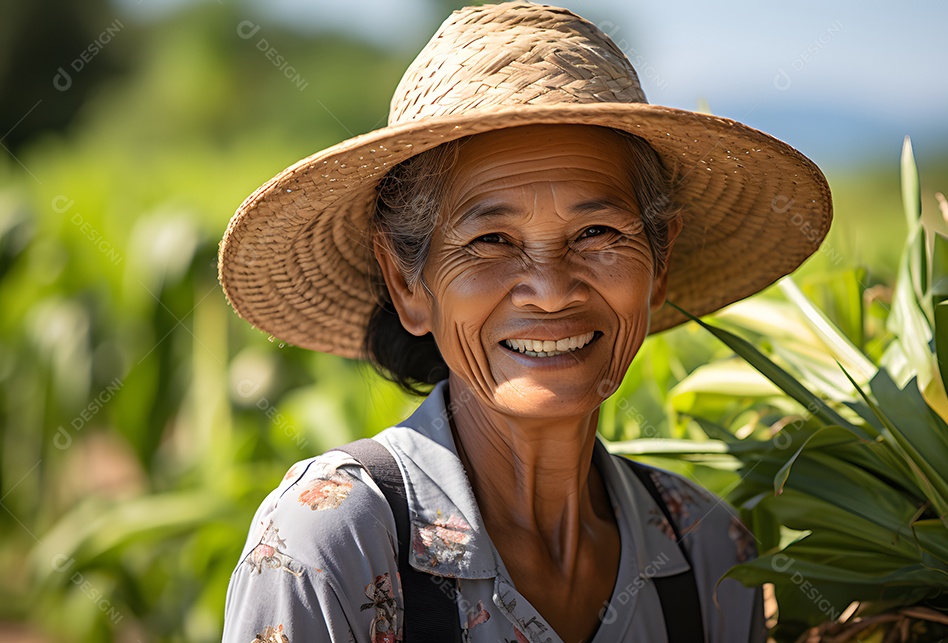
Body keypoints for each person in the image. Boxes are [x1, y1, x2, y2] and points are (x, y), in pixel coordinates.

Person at [218, 2, 831, 642]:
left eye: (598, 233)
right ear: (408, 282)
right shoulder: (336, 541)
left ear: (660, 263)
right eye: (490, 241)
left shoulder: (706, 552)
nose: (550, 290)